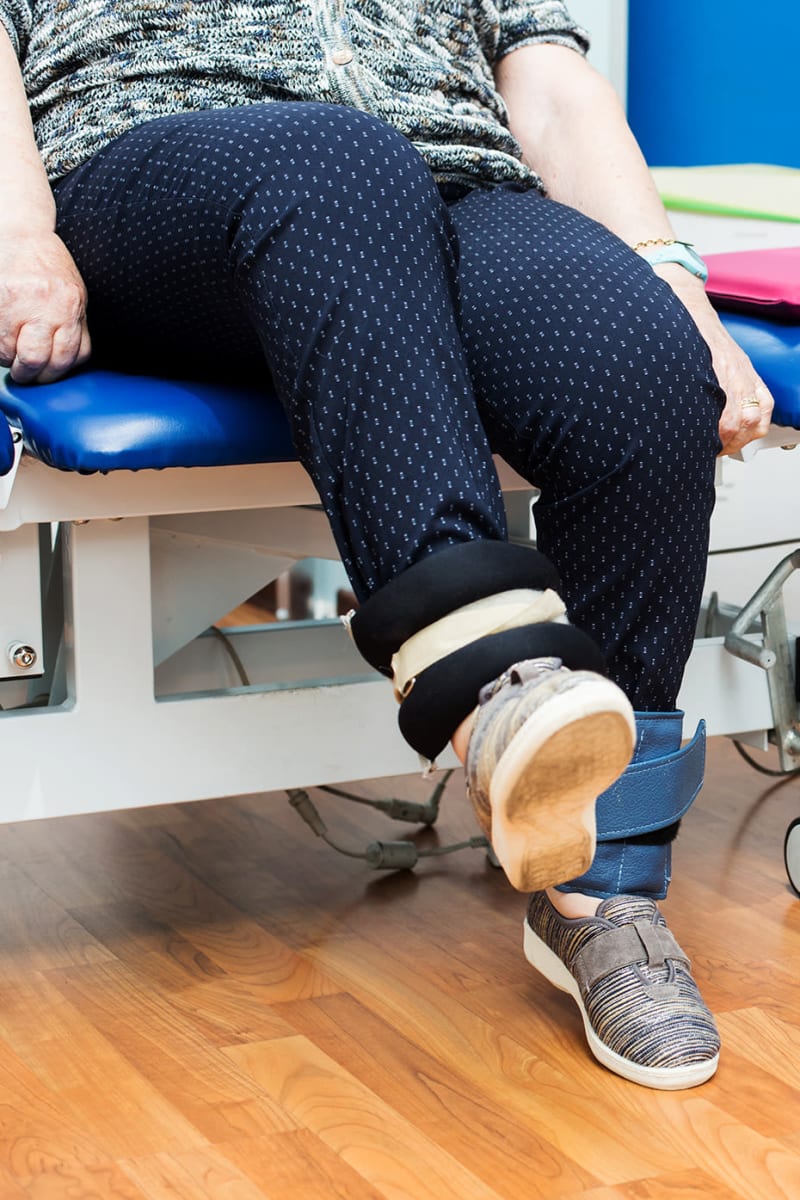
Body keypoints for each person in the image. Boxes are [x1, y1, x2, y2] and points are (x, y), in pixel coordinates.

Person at [0, 1, 772, 1090]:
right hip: (166, 180)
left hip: (455, 189)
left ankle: (600, 887)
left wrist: (673, 285)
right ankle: (493, 686)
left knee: (634, 363)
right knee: (335, 160)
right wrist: (19, 235)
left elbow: (546, 83)